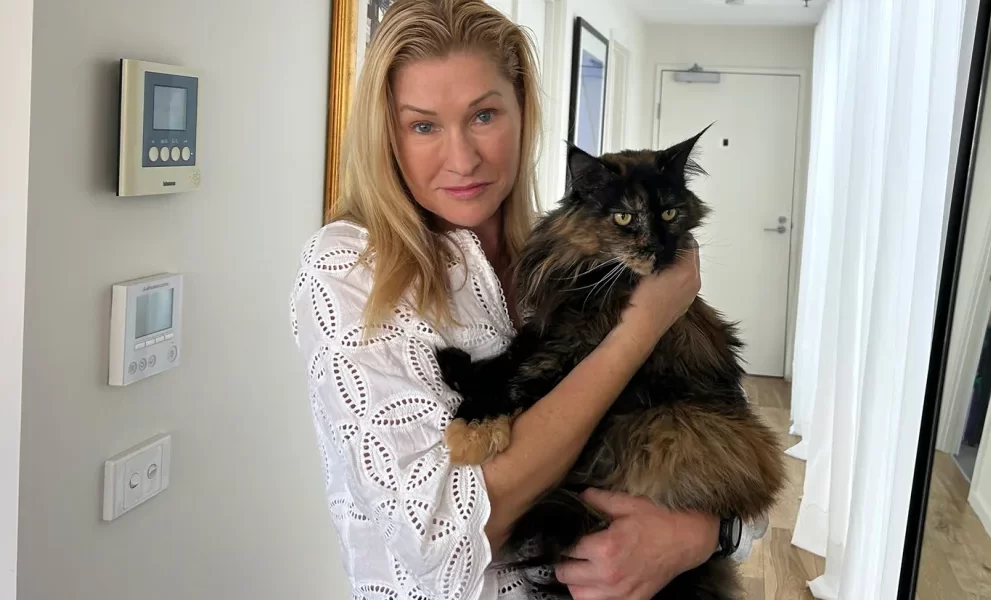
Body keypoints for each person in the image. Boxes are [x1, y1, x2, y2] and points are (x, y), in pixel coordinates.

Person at [289, 1, 766, 598]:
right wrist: (640, 329)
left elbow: (734, 453)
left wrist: (701, 536)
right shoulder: (351, 267)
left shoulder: (581, 252)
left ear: (523, 111)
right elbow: (439, 537)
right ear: (386, 132)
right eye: (423, 125)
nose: (462, 158)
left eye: (484, 115)